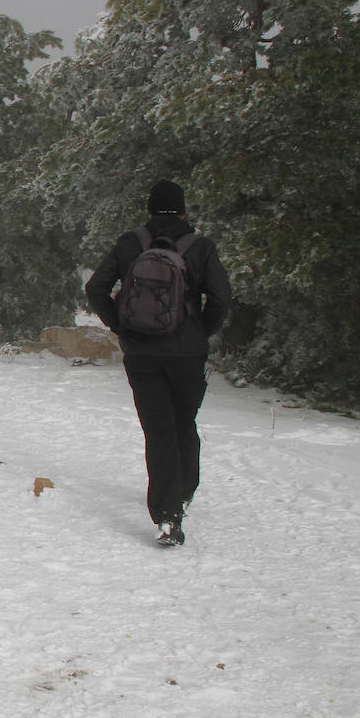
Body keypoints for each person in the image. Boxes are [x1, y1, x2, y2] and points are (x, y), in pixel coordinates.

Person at [85, 179, 231, 547]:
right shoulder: (200, 247)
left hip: (141, 354)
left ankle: (167, 517)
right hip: (187, 353)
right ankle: (183, 491)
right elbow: (221, 299)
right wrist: (200, 331)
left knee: (159, 429)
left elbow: (95, 288)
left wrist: (120, 324)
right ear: (182, 211)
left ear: (150, 210)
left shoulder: (130, 243)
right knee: (183, 421)